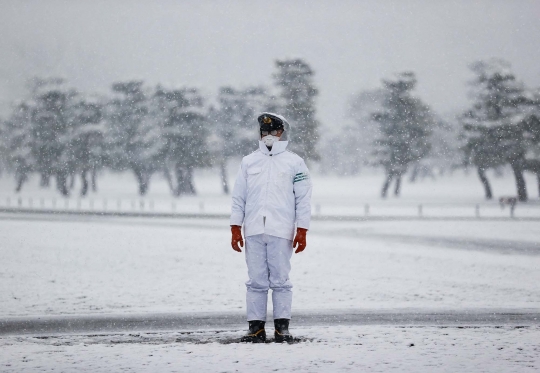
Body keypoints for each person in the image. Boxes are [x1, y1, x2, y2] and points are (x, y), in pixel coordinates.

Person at [230, 112, 312, 343]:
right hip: (254, 230)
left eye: (273, 131)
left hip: (281, 230)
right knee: (255, 280)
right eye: (264, 132)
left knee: (280, 280)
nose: (268, 136)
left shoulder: (295, 163)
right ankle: (255, 328)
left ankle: (281, 328)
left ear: (281, 132)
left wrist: (302, 229)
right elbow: (239, 198)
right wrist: (235, 226)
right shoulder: (249, 161)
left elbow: (303, 199)